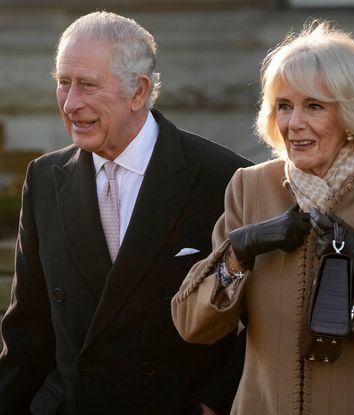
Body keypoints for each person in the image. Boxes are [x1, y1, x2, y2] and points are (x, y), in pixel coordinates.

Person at [0, 11, 252, 415]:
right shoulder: (44, 177)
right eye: (63, 83)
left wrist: (214, 401)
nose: (69, 103)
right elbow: (27, 327)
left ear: (139, 92)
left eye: (87, 85)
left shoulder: (225, 178)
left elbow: (265, 320)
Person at [172, 19, 354, 415]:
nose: (294, 123)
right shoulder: (248, 187)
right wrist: (238, 251)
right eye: (284, 106)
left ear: (352, 114)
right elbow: (191, 325)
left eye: (314, 106)